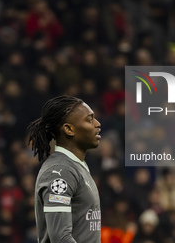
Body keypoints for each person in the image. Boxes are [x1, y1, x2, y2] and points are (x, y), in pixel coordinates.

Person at [28, 95, 102, 243]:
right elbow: (61, 238)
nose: (97, 124)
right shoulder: (60, 172)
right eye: (89, 119)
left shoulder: (75, 166)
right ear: (69, 129)